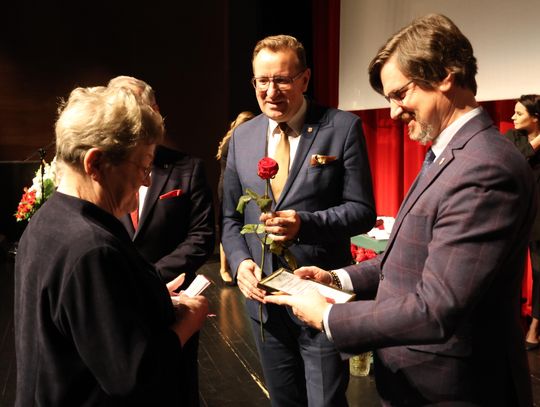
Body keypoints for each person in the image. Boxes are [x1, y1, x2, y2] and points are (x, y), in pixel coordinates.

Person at [265, 14, 536, 406]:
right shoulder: (450, 155)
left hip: (454, 389)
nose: (393, 112)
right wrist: (337, 278)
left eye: (400, 94)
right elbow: (410, 260)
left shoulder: (485, 167)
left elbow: (436, 307)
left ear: (444, 76)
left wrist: (327, 316)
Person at [14, 84, 209, 405]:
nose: (148, 180)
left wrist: (148, 300)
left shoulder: (49, 219)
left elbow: (85, 324)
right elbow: (133, 376)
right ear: (95, 164)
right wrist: (187, 322)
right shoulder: (91, 248)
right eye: (143, 166)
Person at [222, 34, 376, 406]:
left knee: (325, 401)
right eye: (262, 81)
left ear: (305, 79)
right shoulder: (242, 137)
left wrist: (305, 224)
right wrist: (240, 262)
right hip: (263, 302)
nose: (270, 91)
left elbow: (362, 211)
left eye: (282, 80)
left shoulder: (342, 128)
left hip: (319, 295)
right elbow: (230, 218)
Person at [108, 75, 215, 407]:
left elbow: (201, 238)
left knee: (178, 387)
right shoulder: (104, 173)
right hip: (115, 299)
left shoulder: (188, 168)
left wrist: (149, 278)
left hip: (175, 301)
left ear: (155, 111)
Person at [504, 94, 540, 350]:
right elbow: (512, 162)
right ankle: (505, 323)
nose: (512, 117)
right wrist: (537, 142)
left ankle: (534, 330)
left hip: (539, 217)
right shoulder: (511, 137)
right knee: (505, 270)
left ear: (536, 117)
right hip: (512, 213)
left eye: (519, 113)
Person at [216, 111, 255, 285]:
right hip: (228, 186)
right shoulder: (234, 140)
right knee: (228, 223)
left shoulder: (231, 138)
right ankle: (224, 268)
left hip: (228, 184)